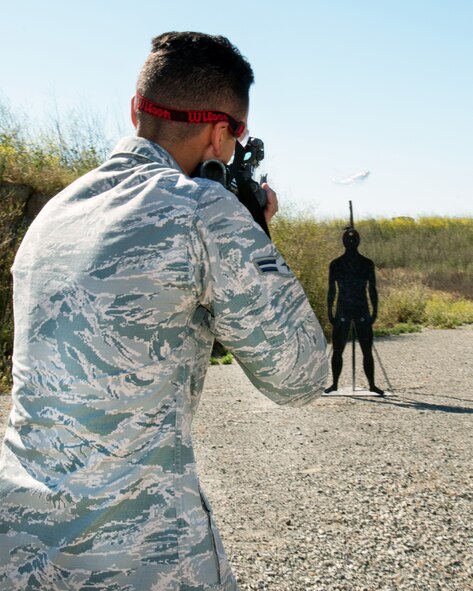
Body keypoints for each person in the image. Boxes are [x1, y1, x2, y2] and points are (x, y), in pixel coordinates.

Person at [0, 32, 328, 590]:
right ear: (224, 131)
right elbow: (301, 375)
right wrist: (255, 235)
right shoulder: (204, 211)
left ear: (135, 109)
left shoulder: (54, 214)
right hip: (144, 556)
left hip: (20, 546)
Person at [324, 228, 384, 395]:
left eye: (353, 240)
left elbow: (372, 289)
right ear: (344, 242)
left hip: (361, 309)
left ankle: (371, 384)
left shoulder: (366, 264)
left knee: (366, 349)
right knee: (338, 349)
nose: (350, 243)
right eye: (348, 240)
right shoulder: (335, 264)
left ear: (357, 242)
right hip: (343, 310)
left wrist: (374, 310)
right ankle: (335, 384)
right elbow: (331, 290)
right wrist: (330, 311)